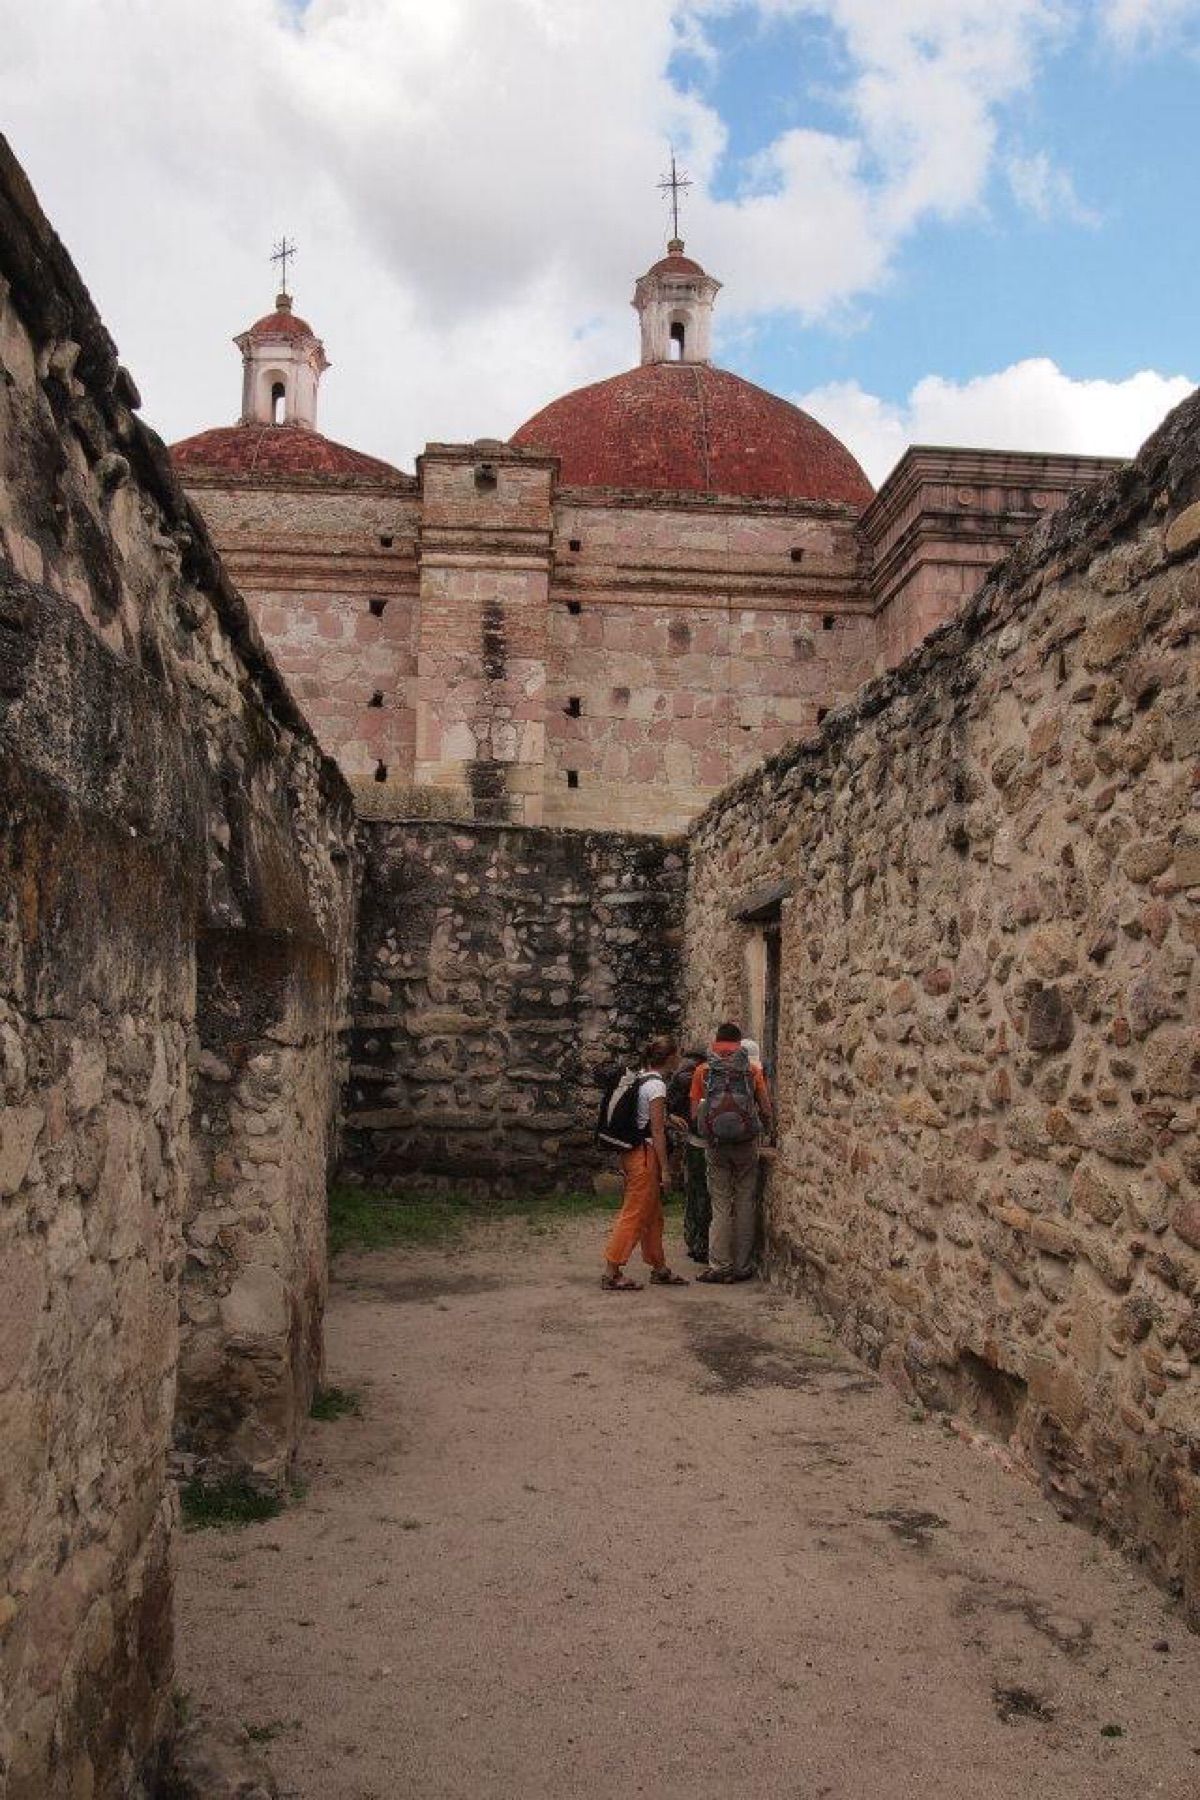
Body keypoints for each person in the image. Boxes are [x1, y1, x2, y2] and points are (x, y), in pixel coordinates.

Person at [601, 1034, 689, 1292]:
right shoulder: (658, 1086)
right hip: (646, 1155)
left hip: (634, 1152)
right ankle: (611, 1271)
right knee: (635, 1213)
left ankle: (659, 1267)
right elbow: (657, 1132)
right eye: (677, 1055)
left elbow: (647, 1118)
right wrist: (666, 1170)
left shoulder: (642, 1077)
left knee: (652, 1214)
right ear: (671, 1058)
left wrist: (668, 1117)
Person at [689, 1023, 773, 1284]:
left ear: (717, 1041)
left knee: (721, 1204)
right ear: (739, 1043)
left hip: (715, 1145)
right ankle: (742, 1265)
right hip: (747, 1144)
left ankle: (720, 1265)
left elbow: (695, 1113)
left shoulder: (703, 1071)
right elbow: (766, 1108)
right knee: (746, 1201)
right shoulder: (752, 1069)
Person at [667, 1045, 711, 1264]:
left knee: (694, 1192)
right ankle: (703, 1243)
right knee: (704, 1194)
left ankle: (693, 1239)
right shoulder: (698, 1075)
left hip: (690, 1139)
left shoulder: (678, 1076)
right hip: (704, 1141)